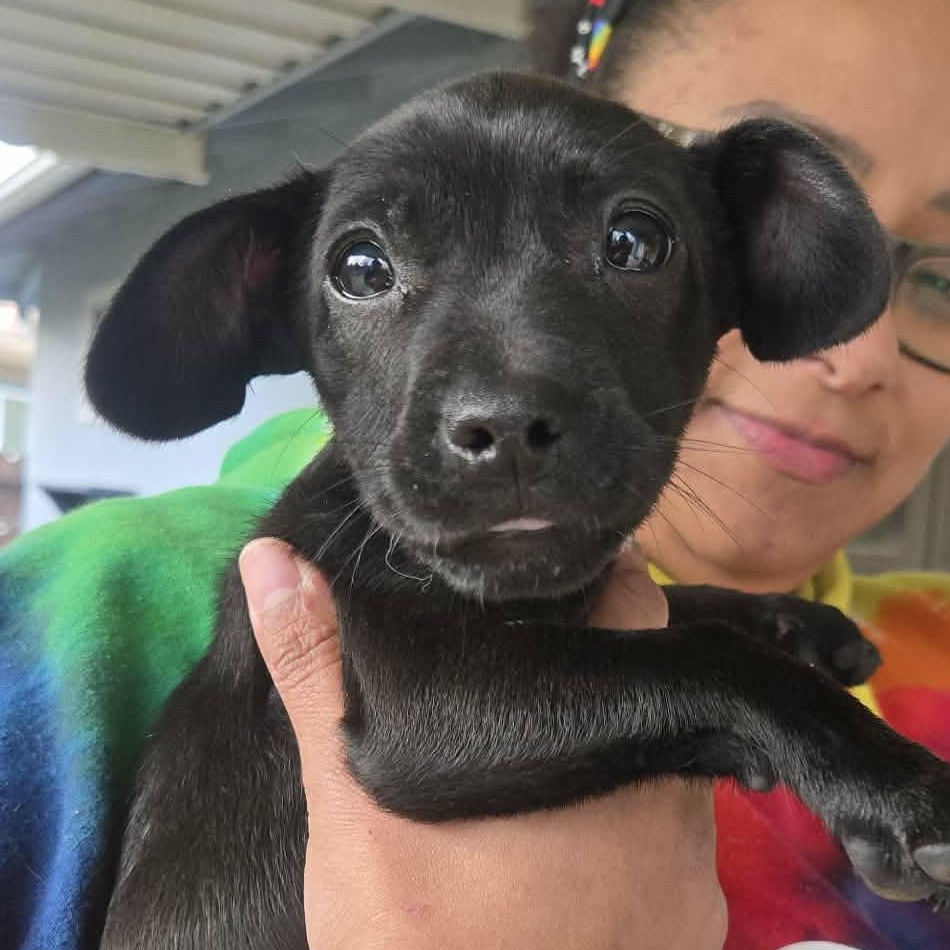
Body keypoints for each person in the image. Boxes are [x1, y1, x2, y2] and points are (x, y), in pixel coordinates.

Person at [1, 1, 948, 948]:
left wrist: (725, 629)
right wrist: (762, 691)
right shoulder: (99, 618)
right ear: (270, 307)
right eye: (365, 269)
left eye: (630, 245)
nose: (504, 403)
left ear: (745, 254)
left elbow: (556, 659)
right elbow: (434, 718)